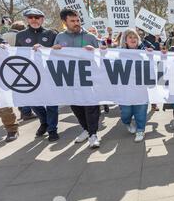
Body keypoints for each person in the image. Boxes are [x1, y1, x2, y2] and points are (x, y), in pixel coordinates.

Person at [53, 9, 106, 149]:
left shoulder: (90, 37)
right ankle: (86, 129)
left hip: (88, 78)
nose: (77, 23)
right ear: (65, 22)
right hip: (70, 79)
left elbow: (101, 57)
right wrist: (54, 51)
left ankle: (93, 134)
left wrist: (94, 50)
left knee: (91, 107)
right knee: (76, 106)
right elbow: (54, 58)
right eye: (73, 21)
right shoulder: (59, 37)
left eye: (78, 20)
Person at [17, 8, 60, 141]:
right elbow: (17, 55)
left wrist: (46, 49)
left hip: (49, 73)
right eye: (31, 17)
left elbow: (59, 52)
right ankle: (44, 122)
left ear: (42, 19)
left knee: (52, 103)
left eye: (37, 17)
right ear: (27, 19)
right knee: (33, 102)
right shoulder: (20, 35)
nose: (34, 20)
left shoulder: (52, 33)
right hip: (30, 75)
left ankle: (52, 129)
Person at [119, 29, 153, 142]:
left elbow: (153, 64)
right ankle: (127, 122)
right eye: (130, 37)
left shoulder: (144, 52)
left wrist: (151, 54)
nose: (133, 39)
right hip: (125, 89)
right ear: (125, 41)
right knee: (126, 112)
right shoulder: (118, 53)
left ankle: (140, 130)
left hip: (140, 88)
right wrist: (103, 51)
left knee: (141, 110)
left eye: (135, 37)